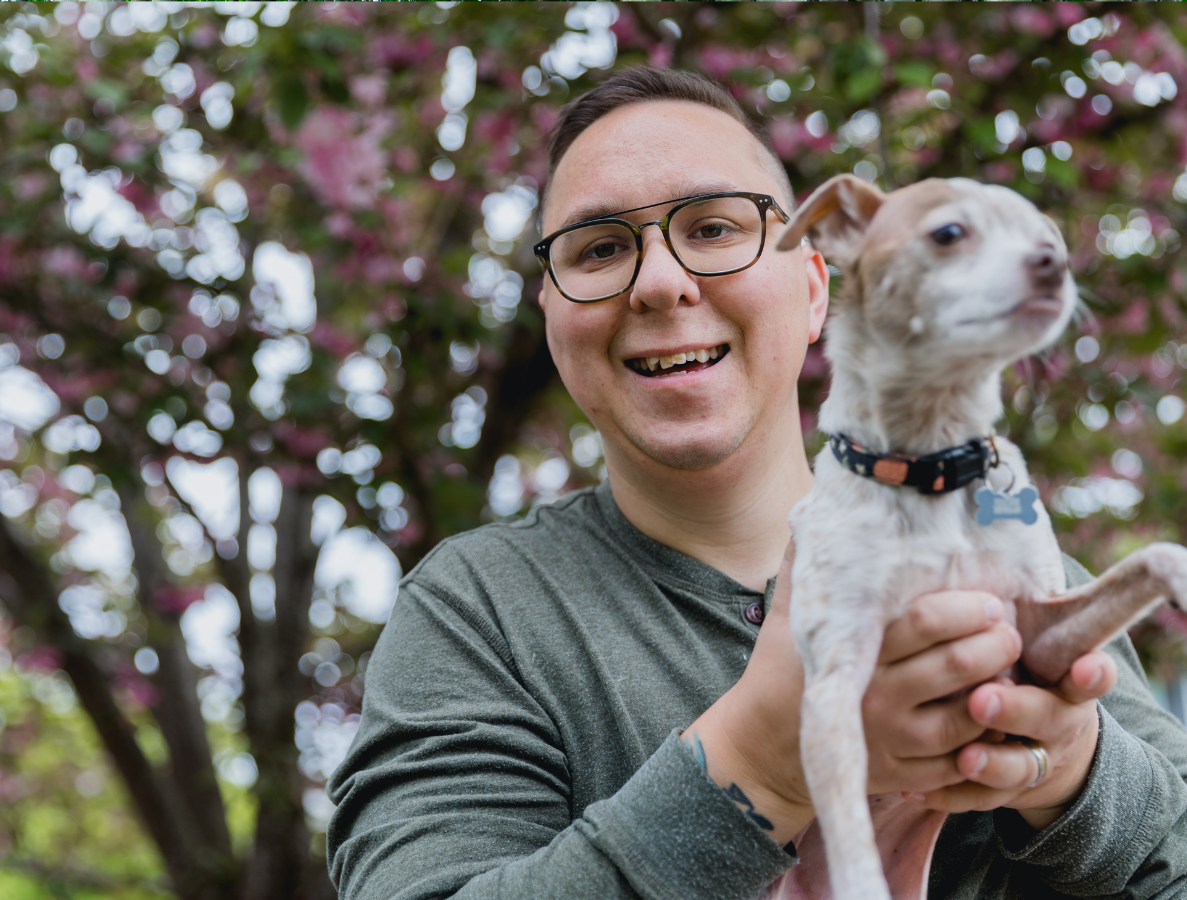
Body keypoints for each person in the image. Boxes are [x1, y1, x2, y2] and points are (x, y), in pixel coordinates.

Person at [326, 67, 1187, 900]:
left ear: (818, 288)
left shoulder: (1024, 569)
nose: (661, 284)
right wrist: (764, 761)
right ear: (555, 320)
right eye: (599, 248)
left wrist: (1075, 773)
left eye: (713, 229)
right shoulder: (481, 611)